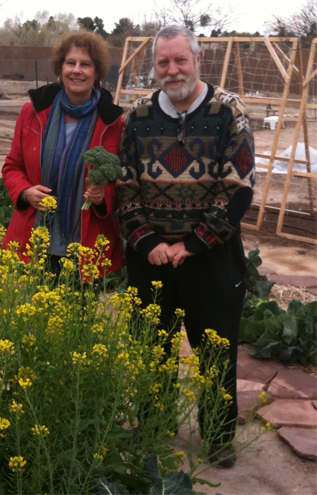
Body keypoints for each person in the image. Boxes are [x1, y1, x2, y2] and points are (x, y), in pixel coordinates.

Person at [116, 24, 256, 467]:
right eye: (163, 62)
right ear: (154, 66)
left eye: (181, 60)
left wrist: (194, 243)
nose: (172, 70)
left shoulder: (230, 111)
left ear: (198, 61)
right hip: (151, 257)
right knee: (151, 348)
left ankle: (217, 436)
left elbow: (239, 188)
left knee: (216, 352)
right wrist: (147, 240)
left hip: (211, 257)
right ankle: (155, 426)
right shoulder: (136, 117)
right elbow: (124, 188)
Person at [2, 31, 125, 276]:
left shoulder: (113, 123)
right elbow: (12, 166)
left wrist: (103, 197)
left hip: (85, 244)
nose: (76, 70)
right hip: (33, 239)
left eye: (85, 64)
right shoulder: (31, 113)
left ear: (97, 72)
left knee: (75, 313)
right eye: (71, 63)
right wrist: (25, 192)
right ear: (61, 68)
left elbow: (122, 181)